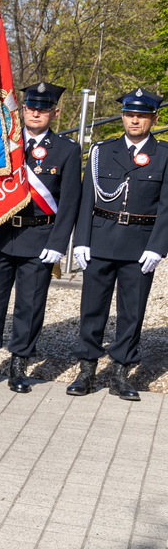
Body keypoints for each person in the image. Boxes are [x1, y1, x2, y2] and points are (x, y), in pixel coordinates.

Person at [0, 83, 80, 393]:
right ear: (22, 109)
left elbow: (69, 203)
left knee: (30, 304)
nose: (36, 112)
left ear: (55, 112)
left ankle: (18, 365)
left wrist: (58, 244)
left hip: (39, 233)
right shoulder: (2, 144)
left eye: (43, 108)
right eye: (31, 106)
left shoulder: (67, 150)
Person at [68, 88, 168, 400]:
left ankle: (122, 372)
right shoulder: (101, 150)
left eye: (141, 115)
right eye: (129, 114)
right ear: (122, 116)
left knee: (132, 312)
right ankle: (87, 370)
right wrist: (81, 240)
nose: (134, 120)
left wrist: (157, 246)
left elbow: (166, 205)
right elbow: (87, 200)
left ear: (154, 118)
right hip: (99, 240)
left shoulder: (164, 154)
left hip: (139, 245)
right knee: (92, 308)